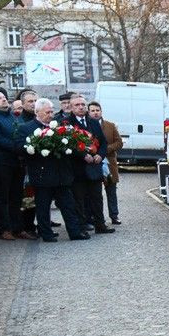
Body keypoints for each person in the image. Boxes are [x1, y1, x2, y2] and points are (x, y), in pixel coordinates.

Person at [23, 98, 88, 242]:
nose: (51, 115)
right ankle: (46, 233)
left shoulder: (58, 126)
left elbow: (70, 145)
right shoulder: (27, 128)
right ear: (37, 112)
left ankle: (75, 232)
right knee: (43, 206)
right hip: (42, 174)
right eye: (47, 112)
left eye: (52, 112)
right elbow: (21, 148)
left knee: (68, 205)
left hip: (61, 173)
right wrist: (38, 147)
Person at [0, 89, 29, 240]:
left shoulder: (13, 116)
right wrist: (17, 147)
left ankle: (17, 227)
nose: (3, 99)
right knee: (2, 196)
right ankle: (4, 228)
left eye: (4, 97)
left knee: (16, 196)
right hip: (1, 162)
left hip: (17, 161)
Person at [63, 94, 114, 235]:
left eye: (83, 105)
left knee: (97, 198)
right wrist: (83, 155)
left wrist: (100, 155)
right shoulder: (67, 123)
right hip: (77, 168)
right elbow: (67, 145)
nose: (81, 107)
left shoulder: (93, 122)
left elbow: (103, 143)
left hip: (94, 167)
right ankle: (81, 226)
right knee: (78, 200)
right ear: (71, 107)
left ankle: (100, 225)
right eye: (77, 105)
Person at [89, 101, 123, 224]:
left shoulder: (110, 126)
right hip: (93, 163)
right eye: (92, 110)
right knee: (94, 193)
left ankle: (114, 215)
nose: (95, 113)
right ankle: (95, 217)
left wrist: (105, 149)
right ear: (89, 112)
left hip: (109, 163)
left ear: (101, 111)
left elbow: (119, 143)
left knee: (111, 191)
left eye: (97, 110)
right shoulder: (86, 126)